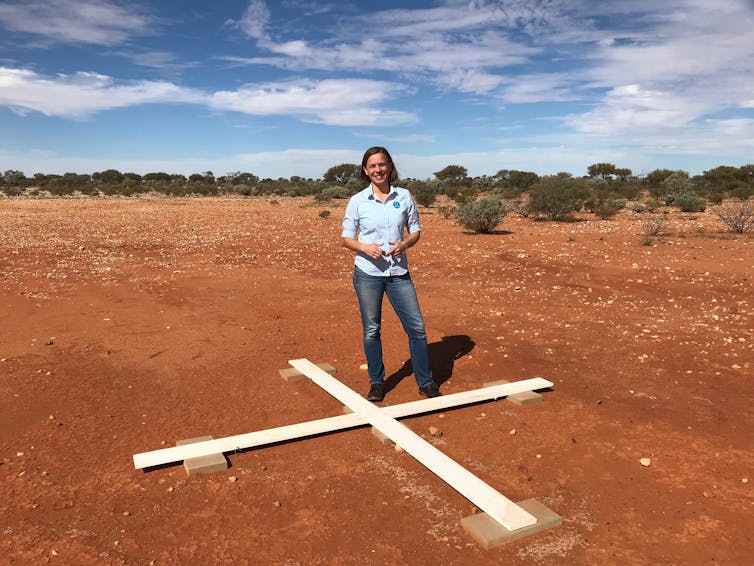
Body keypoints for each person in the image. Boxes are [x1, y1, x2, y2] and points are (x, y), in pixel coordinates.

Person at [341, 146, 441, 402]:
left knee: (416, 328)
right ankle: (377, 382)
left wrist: (404, 244)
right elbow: (346, 238)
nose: (378, 170)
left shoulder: (404, 196)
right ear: (365, 170)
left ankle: (426, 381)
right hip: (367, 273)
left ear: (389, 167)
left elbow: (416, 231)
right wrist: (364, 247)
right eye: (372, 166)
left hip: (398, 273)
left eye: (382, 165)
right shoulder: (358, 201)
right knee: (371, 330)